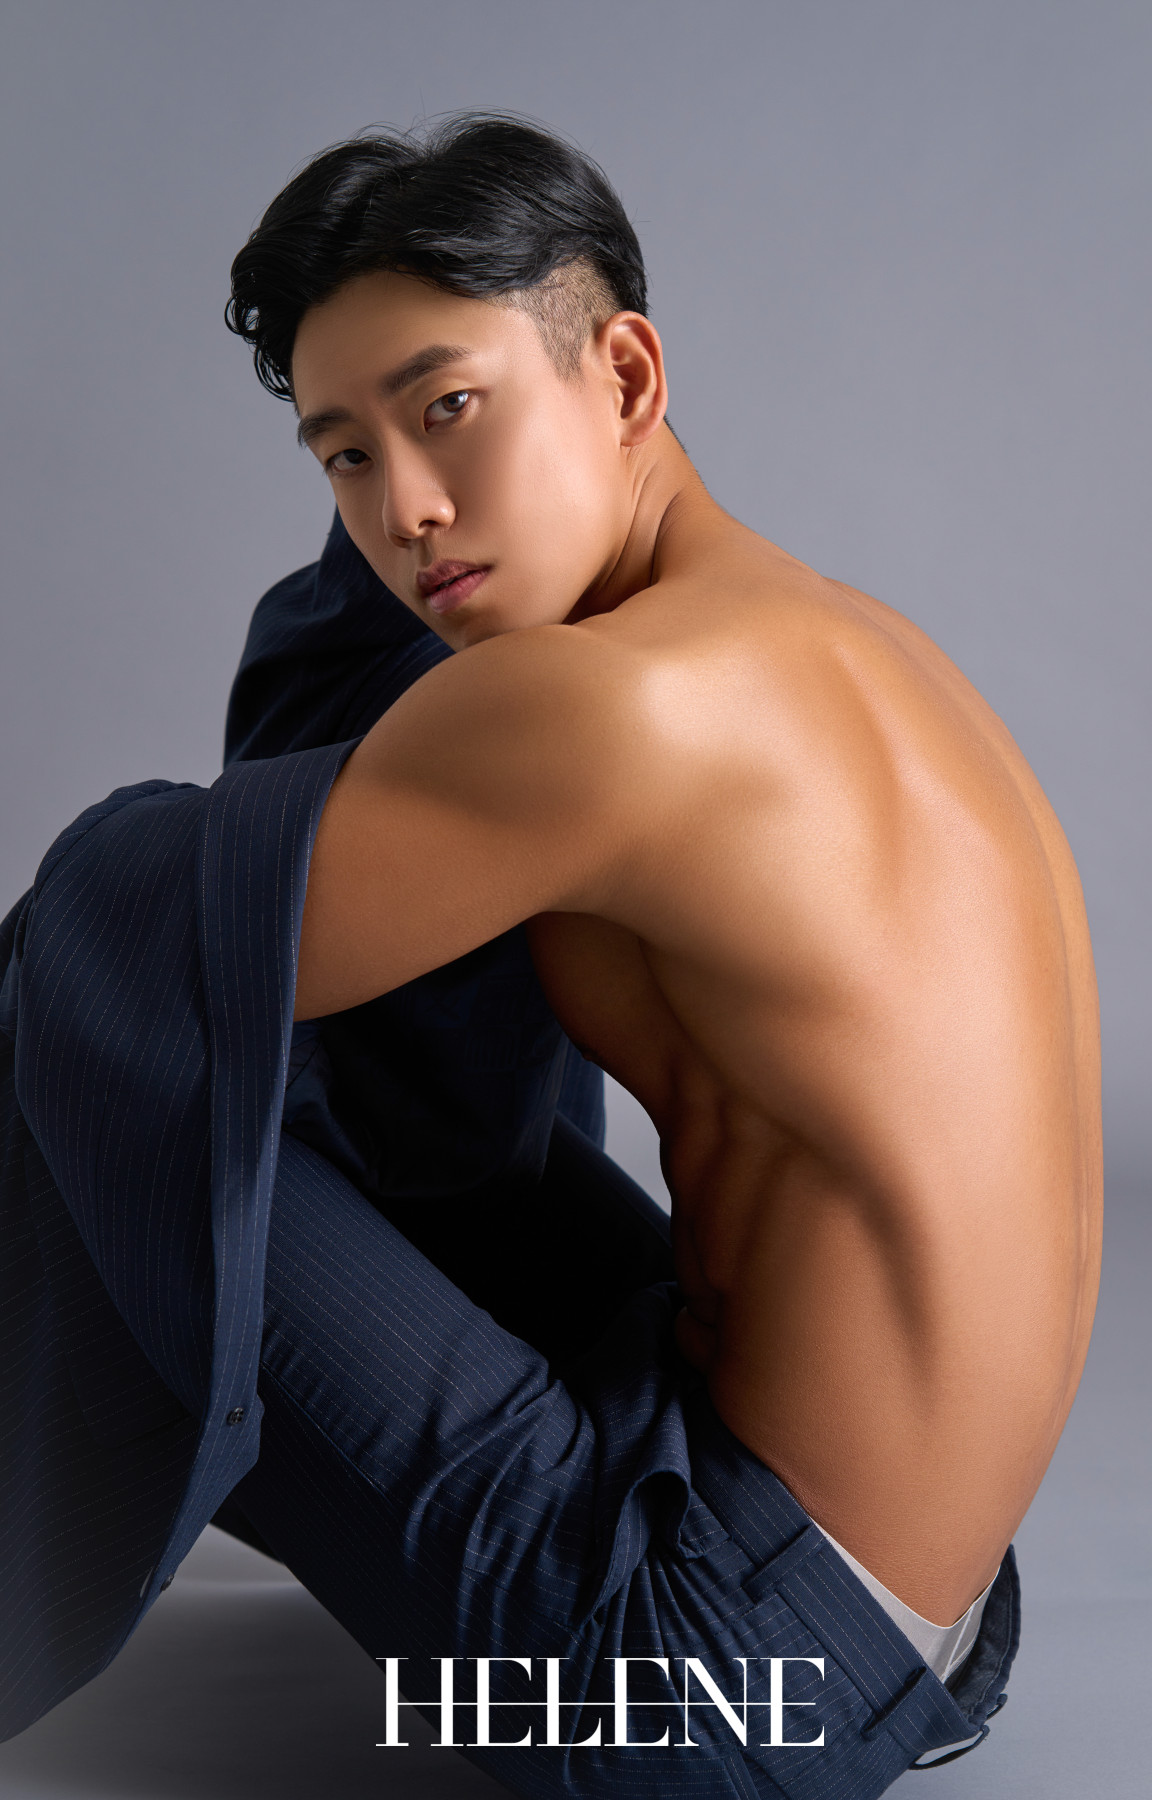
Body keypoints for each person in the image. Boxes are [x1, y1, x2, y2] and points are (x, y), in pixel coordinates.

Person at [0, 114, 1096, 1797]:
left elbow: (150, 967)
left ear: (628, 374)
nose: (406, 511)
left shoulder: (606, 711)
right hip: (915, 1633)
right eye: (341, 455)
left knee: (95, 973)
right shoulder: (837, 644)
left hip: (711, 1681)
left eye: (448, 407)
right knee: (272, 1046)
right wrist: (436, 447)